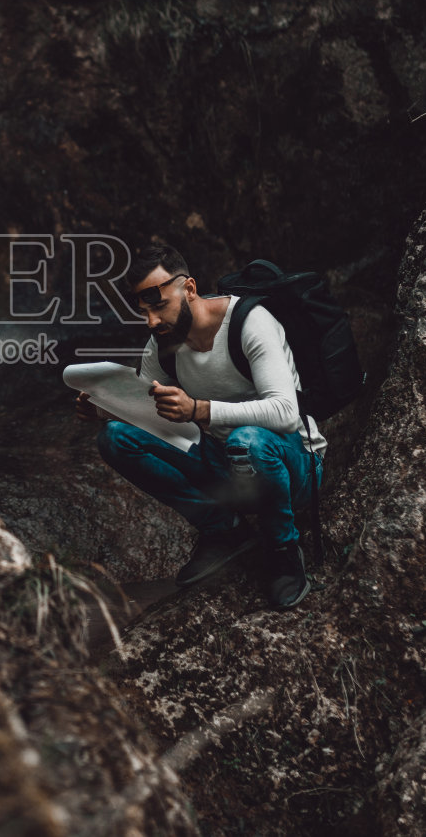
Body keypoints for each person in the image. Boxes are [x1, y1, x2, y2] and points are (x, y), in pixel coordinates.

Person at [74, 241, 325, 608]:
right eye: (144, 310)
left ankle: (283, 549)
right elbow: (149, 415)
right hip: (228, 466)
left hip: (294, 466)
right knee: (116, 438)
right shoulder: (161, 345)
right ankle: (223, 528)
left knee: (248, 440)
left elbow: (286, 412)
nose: (152, 321)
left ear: (189, 289)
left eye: (159, 305)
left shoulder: (250, 323)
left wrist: (199, 410)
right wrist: (105, 409)